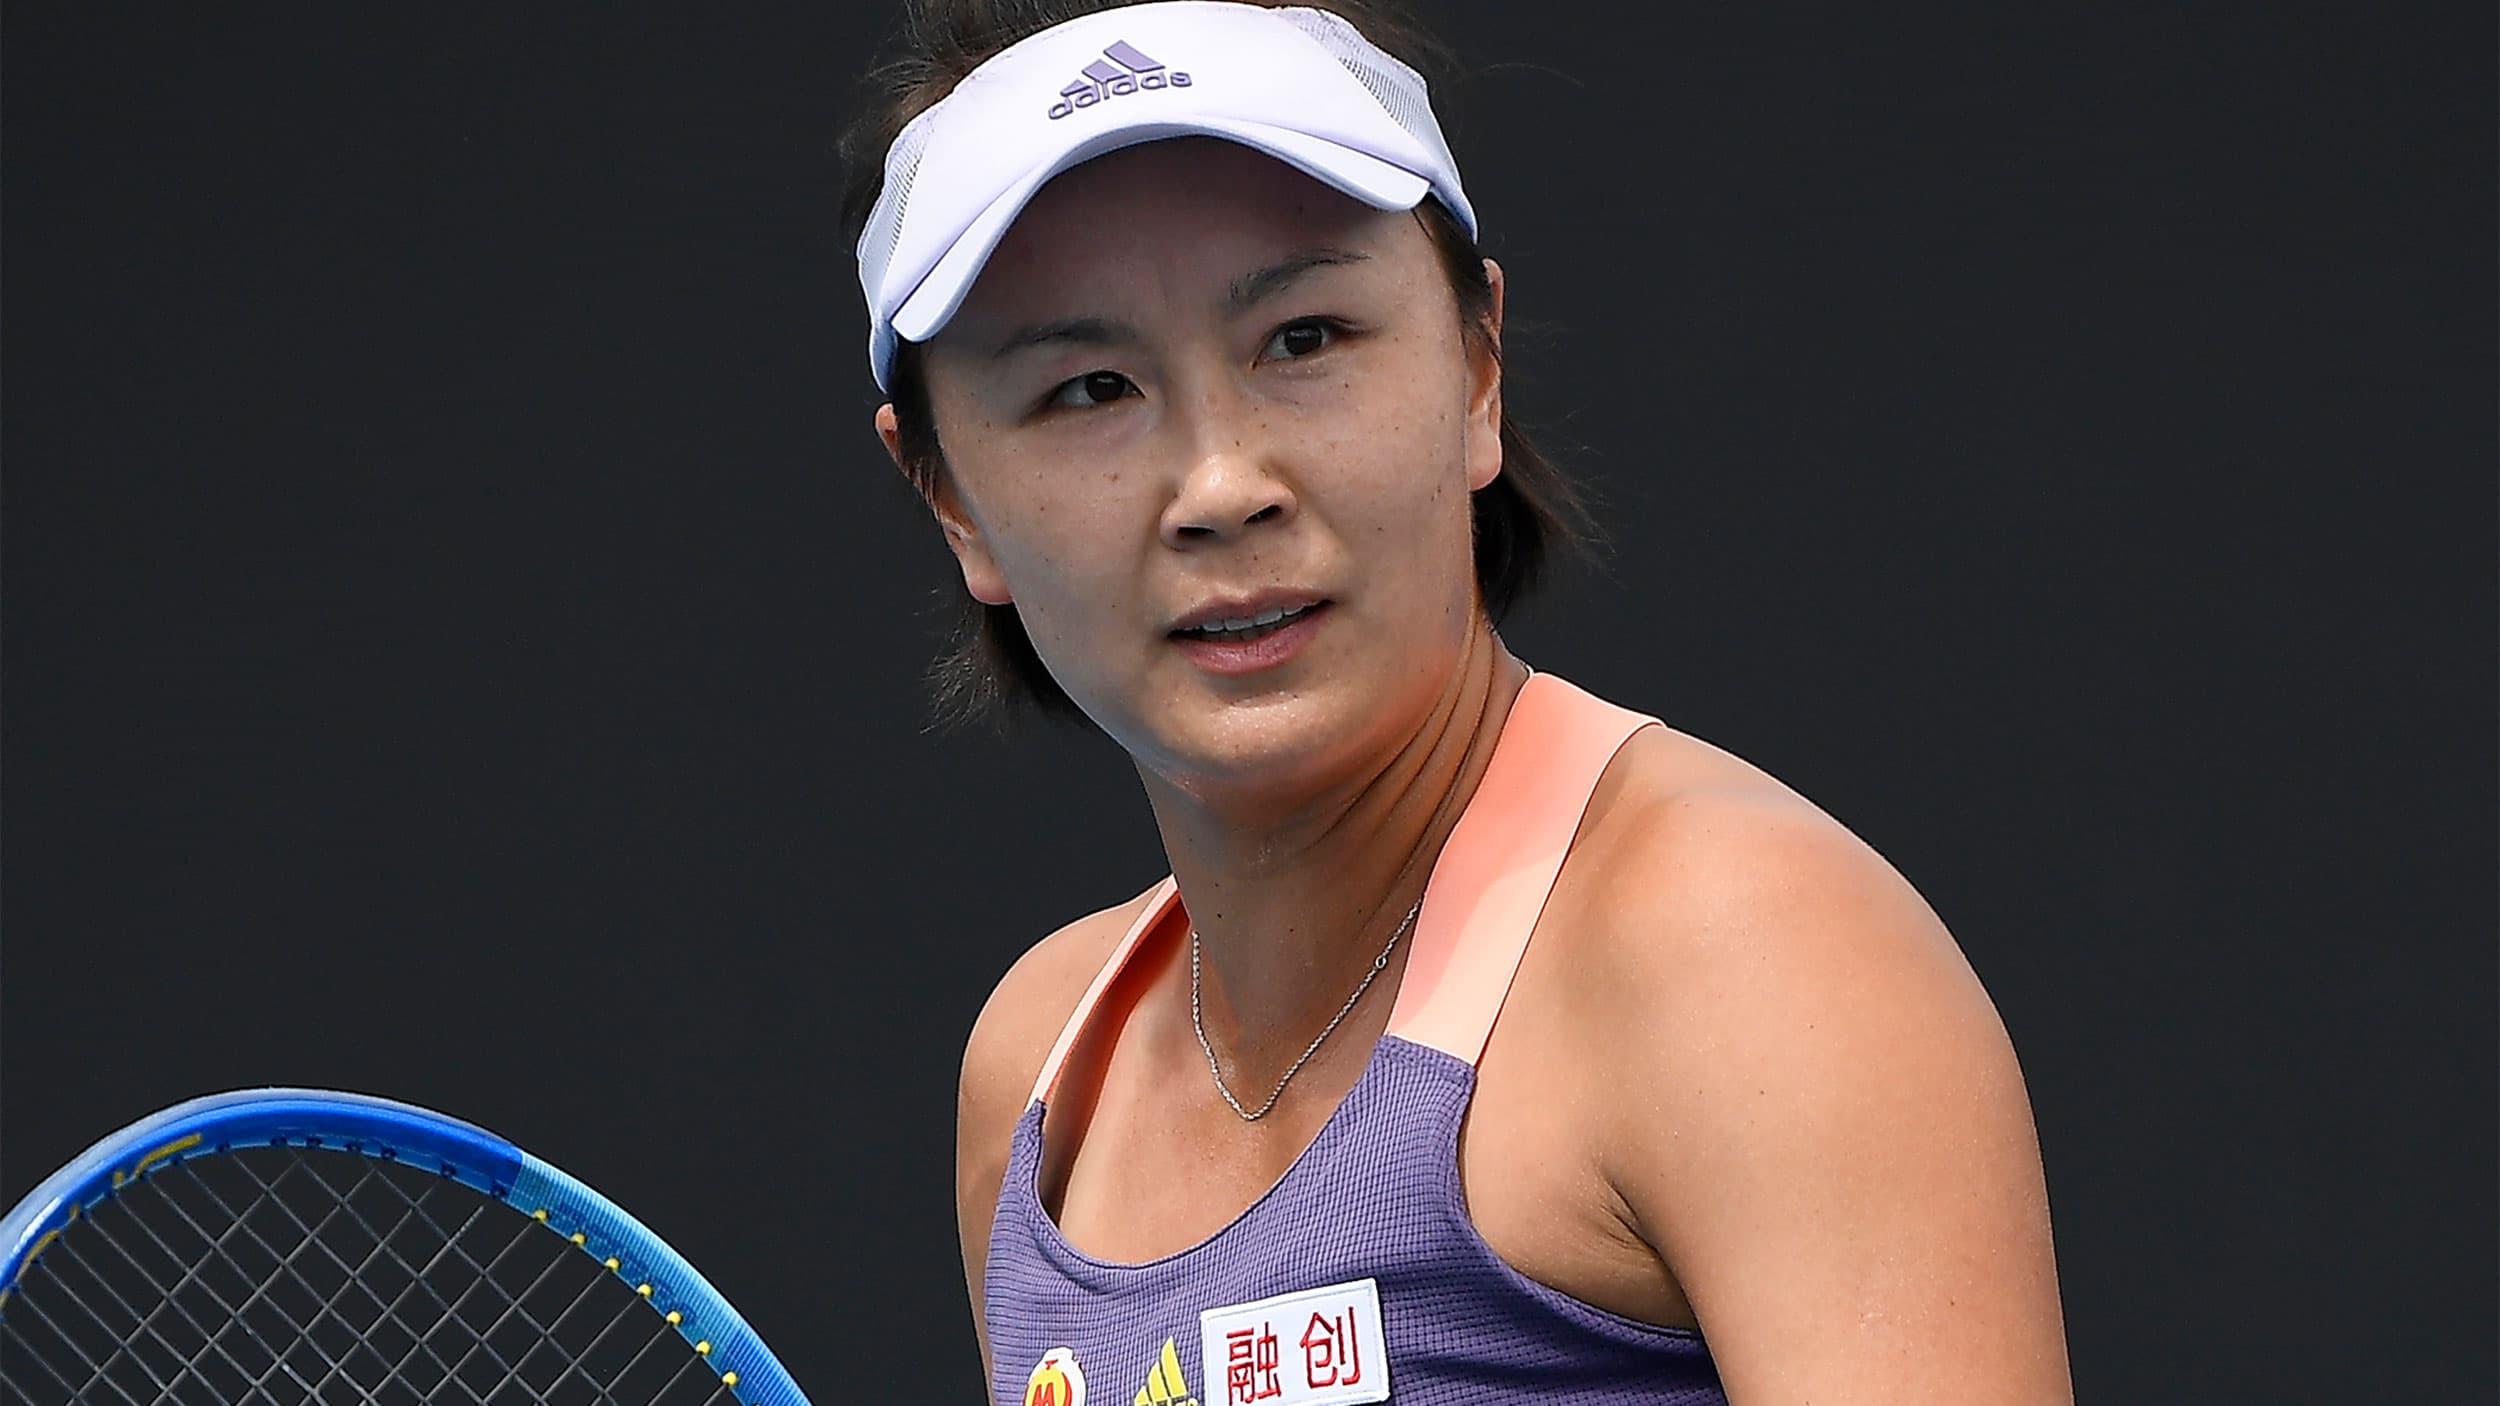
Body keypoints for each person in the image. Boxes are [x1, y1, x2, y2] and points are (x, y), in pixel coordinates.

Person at [840, 2, 2072, 1401]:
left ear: (1478, 367)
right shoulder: (1043, 1076)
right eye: (1090, 387)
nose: (1223, 481)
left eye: (1303, 337)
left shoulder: (1742, 954)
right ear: (953, 501)